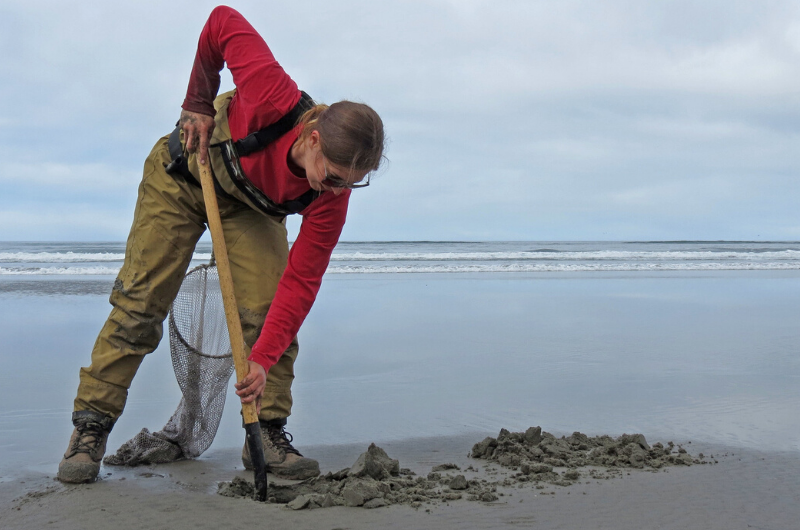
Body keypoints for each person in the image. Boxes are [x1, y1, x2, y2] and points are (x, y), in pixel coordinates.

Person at [57, 5, 385, 484]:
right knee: (140, 305)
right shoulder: (273, 93)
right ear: (313, 139)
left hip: (249, 208)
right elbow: (221, 21)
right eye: (334, 177)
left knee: (271, 315)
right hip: (183, 176)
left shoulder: (330, 199)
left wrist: (262, 358)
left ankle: (267, 436)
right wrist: (198, 102)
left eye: (352, 184)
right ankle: (90, 429)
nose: (336, 191)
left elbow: (301, 283)